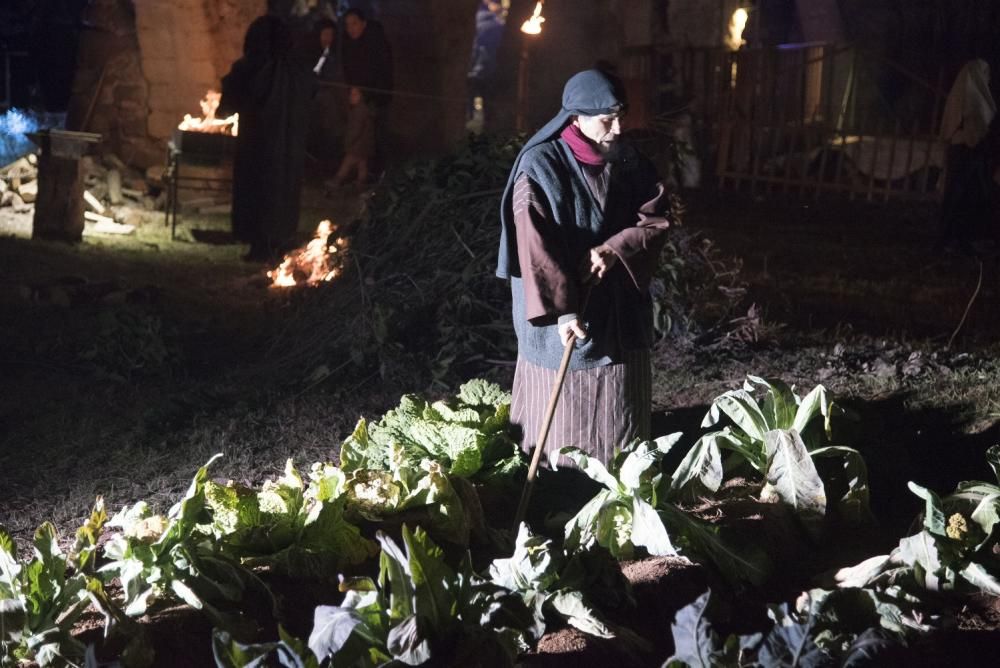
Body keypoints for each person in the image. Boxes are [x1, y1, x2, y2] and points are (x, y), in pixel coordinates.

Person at [497, 69, 673, 467]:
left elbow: (656, 218)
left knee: (618, 412)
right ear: (576, 117)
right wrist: (565, 312)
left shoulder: (628, 161)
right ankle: (558, 485)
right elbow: (534, 246)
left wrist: (614, 248)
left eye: (621, 116)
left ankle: (622, 482)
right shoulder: (540, 165)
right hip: (563, 304)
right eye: (606, 119)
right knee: (564, 419)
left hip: (618, 305)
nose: (617, 128)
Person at [220, 15, 317, 262]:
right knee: (283, 189)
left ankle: (260, 243)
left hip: (257, 144)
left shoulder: (249, 67)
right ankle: (279, 239)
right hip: (289, 146)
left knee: (258, 188)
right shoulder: (300, 71)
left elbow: (230, 102)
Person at [939, 58, 996, 254]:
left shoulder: (971, 96)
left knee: (969, 197)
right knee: (958, 195)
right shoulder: (974, 98)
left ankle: (963, 238)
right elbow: (975, 127)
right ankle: (948, 239)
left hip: (968, 152)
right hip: (966, 152)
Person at [341, 8, 392, 175]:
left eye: (354, 23)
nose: (351, 28)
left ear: (363, 24)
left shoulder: (375, 43)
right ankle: (362, 174)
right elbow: (349, 72)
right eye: (347, 25)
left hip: (376, 97)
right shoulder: (349, 45)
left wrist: (363, 92)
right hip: (357, 96)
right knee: (362, 134)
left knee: (364, 129)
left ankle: (344, 170)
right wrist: (353, 90)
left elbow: (380, 73)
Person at [329, 86, 374, 189]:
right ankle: (360, 183)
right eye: (351, 94)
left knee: (347, 163)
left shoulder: (359, 111)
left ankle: (337, 181)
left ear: (360, 97)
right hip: (363, 145)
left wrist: (348, 142)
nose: (351, 97)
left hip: (358, 145)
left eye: (354, 95)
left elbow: (356, 130)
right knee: (362, 165)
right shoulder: (362, 109)